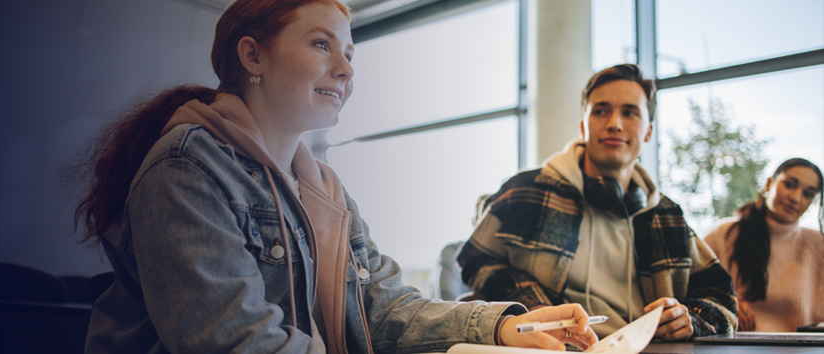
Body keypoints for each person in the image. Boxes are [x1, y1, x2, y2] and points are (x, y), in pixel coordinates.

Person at [74, 0, 599, 353]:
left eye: (349, 53)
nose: (347, 69)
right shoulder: (186, 168)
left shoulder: (325, 190)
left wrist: (507, 327)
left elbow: (383, 306)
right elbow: (236, 341)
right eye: (322, 45)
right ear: (253, 55)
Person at [457, 64, 738, 340]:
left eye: (629, 112)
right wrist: (534, 303)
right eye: (601, 111)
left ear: (649, 131)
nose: (614, 123)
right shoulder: (525, 190)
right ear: (583, 126)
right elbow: (474, 260)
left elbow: (724, 300)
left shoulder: (666, 215)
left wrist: (690, 320)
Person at [703, 158, 824, 332]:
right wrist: (723, 306)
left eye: (808, 194)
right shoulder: (723, 236)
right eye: (789, 184)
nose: (796, 198)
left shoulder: (818, 246)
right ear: (769, 183)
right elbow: (689, 295)